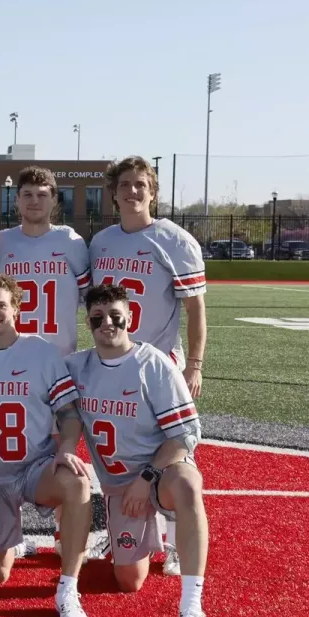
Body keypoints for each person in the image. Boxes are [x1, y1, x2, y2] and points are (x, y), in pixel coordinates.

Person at [65, 284, 209, 617]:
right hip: (116, 484)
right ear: (89, 323)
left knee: (189, 485)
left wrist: (147, 478)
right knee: (129, 581)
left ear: (130, 318)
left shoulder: (154, 364)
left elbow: (186, 434)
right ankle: (146, 528)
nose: (108, 324)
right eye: (98, 318)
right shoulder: (77, 366)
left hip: (159, 472)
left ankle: (192, 605)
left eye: (116, 316)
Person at [89, 155, 208, 575]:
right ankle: (127, 529)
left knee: (174, 453)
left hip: (158, 367)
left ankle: (175, 543)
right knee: (121, 453)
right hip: (113, 364)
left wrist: (194, 364)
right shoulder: (101, 242)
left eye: (141, 184)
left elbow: (195, 309)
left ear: (152, 191)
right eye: (125, 185)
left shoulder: (175, 240)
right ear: (114, 193)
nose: (133, 191)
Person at [0, 273, 92, 617]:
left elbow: (68, 413)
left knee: (77, 482)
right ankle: (14, 542)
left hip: (35, 466)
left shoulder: (41, 352)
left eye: (1, 305)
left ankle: (67, 587)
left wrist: (66, 448)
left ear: (16, 307)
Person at [0, 167, 90, 356]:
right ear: (17, 199)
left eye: (42, 195)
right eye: (27, 194)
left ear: (54, 199)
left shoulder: (70, 241)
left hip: (60, 357)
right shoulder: (0, 243)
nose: (34, 201)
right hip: (9, 354)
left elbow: (88, 297)